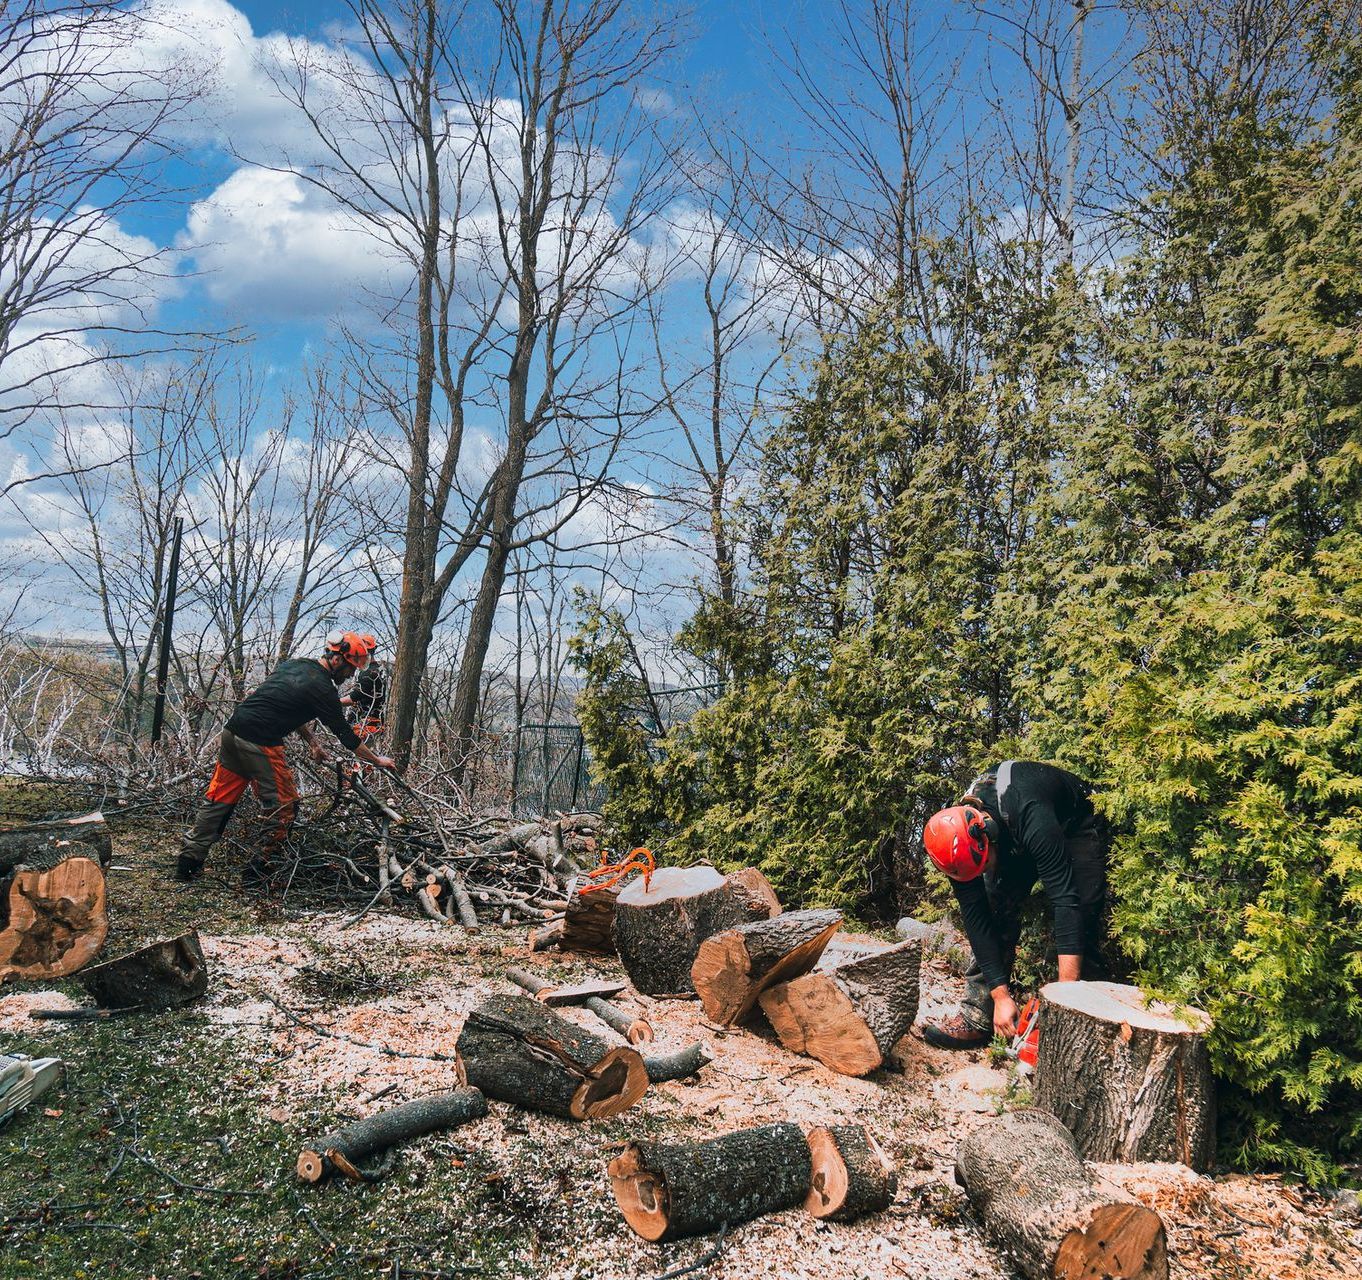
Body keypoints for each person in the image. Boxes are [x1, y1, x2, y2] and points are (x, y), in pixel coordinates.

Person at [176, 632, 396, 885]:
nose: (350, 675)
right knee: (284, 807)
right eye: (350, 668)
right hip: (259, 741)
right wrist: (376, 760)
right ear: (337, 660)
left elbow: (289, 706)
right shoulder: (323, 688)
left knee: (219, 799)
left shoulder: (296, 665)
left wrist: (313, 742)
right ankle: (257, 874)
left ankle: (188, 864)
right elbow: (346, 736)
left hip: (233, 732)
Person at [920, 760, 1109, 1050]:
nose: (984, 872)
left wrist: (1064, 1000)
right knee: (996, 907)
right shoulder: (954, 842)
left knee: (1082, 912)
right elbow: (976, 917)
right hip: (1015, 829)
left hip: (1076, 825)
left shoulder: (1030, 813)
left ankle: (1080, 1025)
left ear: (988, 835)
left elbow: (1065, 899)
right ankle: (978, 1016)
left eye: (985, 865)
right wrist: (1000, 995)